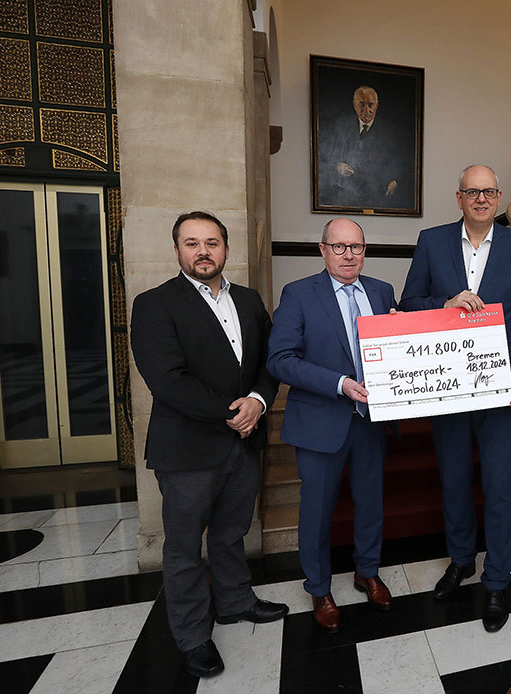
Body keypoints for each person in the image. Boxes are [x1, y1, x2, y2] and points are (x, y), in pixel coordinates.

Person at [130, 211, 287, 679]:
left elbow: (269, 360)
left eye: (212, 242)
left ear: (226, 248)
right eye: (192, 243)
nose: (203, 251)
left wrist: (259, 400)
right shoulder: (155, 303)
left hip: (243, 444)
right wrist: (233, 412)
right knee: (183, 547)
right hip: (188, 450)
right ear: (176, 249)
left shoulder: (250, 299)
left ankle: (236, 601)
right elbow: (167, 379)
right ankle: (194, 634)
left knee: (231, 531)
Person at [399, 164, 511, 632]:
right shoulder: (432, 241)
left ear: (498, 197)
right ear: (459, 197)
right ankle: (461, 561)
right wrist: (442, 304)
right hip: (448, 390)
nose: (481, 199)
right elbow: (406, 305)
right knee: (454, 480)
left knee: (501, 487)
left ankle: (497, 580)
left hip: (501, 391)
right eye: (472, 192)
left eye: (488, 191)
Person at [266, 218, 397, 633]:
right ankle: (319, 588)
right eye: (338, 247)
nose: (348, 255)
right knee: (317, 510)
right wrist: (339, 384)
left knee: (371, 500)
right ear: (322, 250)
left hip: (371, 421)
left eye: (356, 247)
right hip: (321, 420)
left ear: (365, 250)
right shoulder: (299, 294)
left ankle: (367, 571)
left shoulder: (381, 292)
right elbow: (280, 360)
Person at [322, 85, 413, 210]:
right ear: (354, 104)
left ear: (377, 105)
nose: (366, 109)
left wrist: (396, 181)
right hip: (345, 195)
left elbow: (401, 164)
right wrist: (338, 167)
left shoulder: (390, 132)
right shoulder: (341, 126)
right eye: (362, 104)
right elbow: (326, 158)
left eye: (370, 105)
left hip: (379, 196)